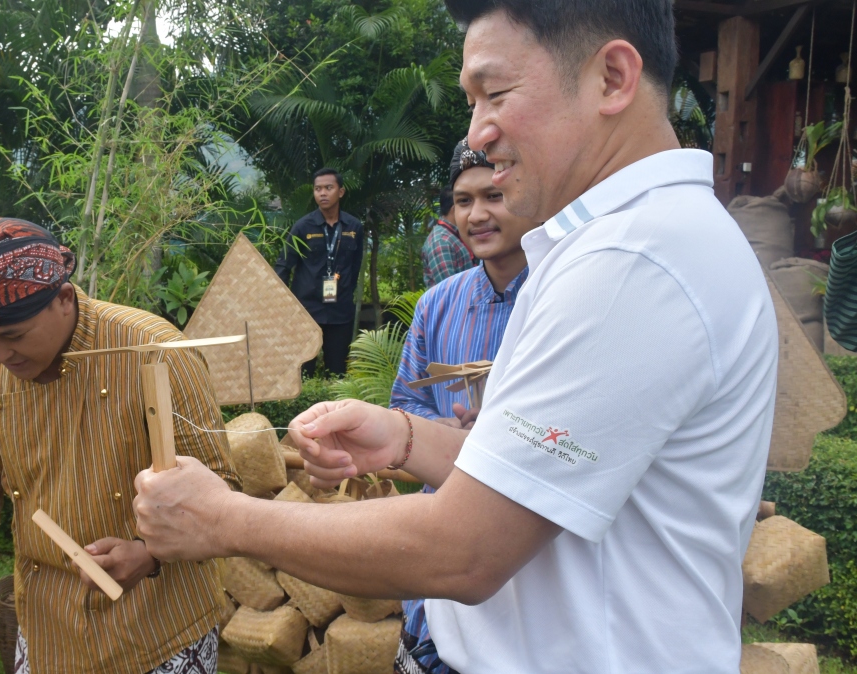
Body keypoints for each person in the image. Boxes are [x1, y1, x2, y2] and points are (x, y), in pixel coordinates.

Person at [131, 1, 779, 673]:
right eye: (473, 102)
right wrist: (407, 437)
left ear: (612, 78)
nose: (480, 132)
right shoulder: (633, 243)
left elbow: (466, 548)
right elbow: (543, 483)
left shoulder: (634, 263)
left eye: (495, 94)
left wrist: (222, 520)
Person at [0, 214, 239, 674]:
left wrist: (148, 552)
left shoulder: (153, 350)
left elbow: (223, 489)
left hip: (161, 629)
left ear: (63, 298)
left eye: (13, 336)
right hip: (46, 633)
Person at [392, 137, 536, 674]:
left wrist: (504, 428)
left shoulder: (560, 297)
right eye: (463, 200)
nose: (477, 214)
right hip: (440, 546)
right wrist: (449, 434)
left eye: (492, 196)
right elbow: (405, 402)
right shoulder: (438, 304)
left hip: (528, 561)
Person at [274, 168, 364, 376]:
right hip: (307, 312)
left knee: (338, 372)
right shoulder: (302, 227)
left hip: (340, 311)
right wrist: (284, 307)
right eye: (317, 189)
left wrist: (345, 293)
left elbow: (355, 266)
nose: (322, 193)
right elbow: (283, 267)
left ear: (340, 192)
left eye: (328, 188)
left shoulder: (353, 227)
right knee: (303, 372)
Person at [420, 148, 478, 288]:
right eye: (465, 202)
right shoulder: (441, 241)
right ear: (454, 209)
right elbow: (449, 290)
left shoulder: (454, 235)